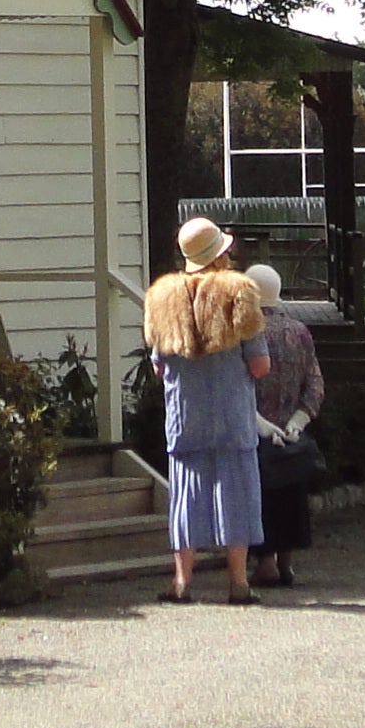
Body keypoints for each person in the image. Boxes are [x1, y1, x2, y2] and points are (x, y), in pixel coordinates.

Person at [144, 216, 272, 603]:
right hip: (232, 414)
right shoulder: (240, 292)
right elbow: (260, 364)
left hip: (185, 415)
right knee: (236, 493)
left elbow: (159, 365)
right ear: (222, 254)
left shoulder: (161, 298)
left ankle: (182, 582)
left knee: (185, 495)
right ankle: (238, 582)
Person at [246, 263, 327, 586]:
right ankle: (287, 563)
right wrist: (298, 421)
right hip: (293, 432)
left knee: (262, 496)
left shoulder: (248, 334)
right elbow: (315, 383)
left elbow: (239, 384)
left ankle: (265, 561)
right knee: (292, 494)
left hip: (258, 428)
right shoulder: (300, 332)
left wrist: (259, 423)